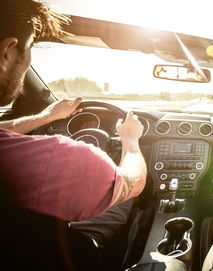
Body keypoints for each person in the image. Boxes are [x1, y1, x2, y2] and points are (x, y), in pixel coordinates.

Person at [0, 0, 147, 253]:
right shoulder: (66, 159)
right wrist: (131, 142)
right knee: (125, 204)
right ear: (7, 53)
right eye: (30, 49)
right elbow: (134, 181)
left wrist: (44, 118)